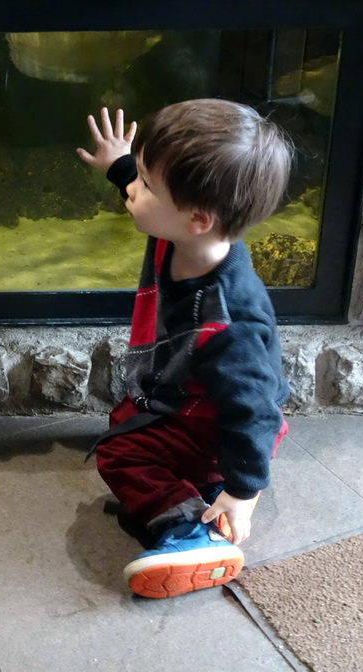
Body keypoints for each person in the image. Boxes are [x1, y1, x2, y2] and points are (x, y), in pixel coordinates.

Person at [76, 101, 293, 599]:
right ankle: (209, 485)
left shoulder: (228, 322)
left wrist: (244, 493)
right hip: (194, 399)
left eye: (145, 184)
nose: (132, 188)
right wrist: (121, 164)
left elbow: (255, 410)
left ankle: (189, 529)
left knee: (120, 452)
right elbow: (158, 190)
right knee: (127, 417)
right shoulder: (185, 233)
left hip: (223, 423)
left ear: (196, 217)